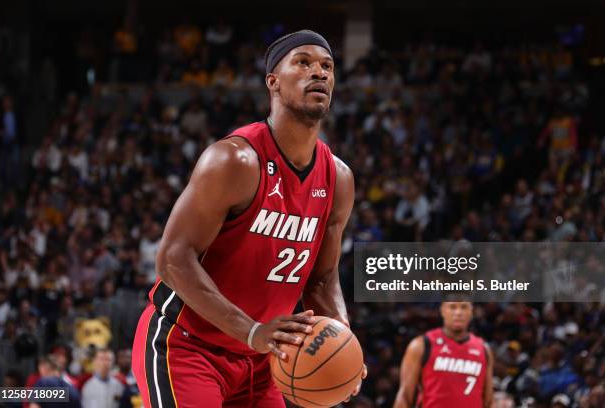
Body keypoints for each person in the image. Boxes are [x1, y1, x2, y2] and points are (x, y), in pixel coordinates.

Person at [132, 29, 366, 407]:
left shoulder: (338, 179)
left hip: (260, 361)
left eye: (327, 66)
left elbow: (321, 280)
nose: (319, 73)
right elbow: (173, 258)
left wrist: (343, 340)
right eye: (303, 63)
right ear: (273, 81)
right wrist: (252, 330)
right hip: (187, 347)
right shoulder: (234, 160)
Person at [393, 302, 494, 408]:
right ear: (443, 310)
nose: (458, 313)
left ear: (471, 312)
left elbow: (489, 402)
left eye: (464, 307)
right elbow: (405, 396)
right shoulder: (421, 345)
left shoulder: (483, 349)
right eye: (452, 307)